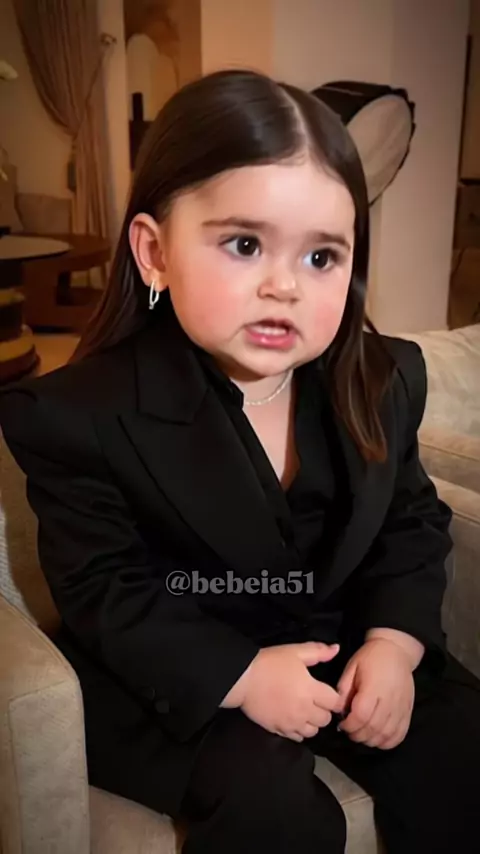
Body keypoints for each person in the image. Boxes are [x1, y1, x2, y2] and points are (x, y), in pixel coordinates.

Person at [0, 68, 479, 854]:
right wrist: (244, 677)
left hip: (343, 642)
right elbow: (104, 589)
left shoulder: (381, 378)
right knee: (274, 810)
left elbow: (410, 522)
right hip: (179, 675)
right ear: (154, 251)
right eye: (245, 244)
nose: (284, 286)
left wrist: (395, 643)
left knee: (464, 755)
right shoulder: (76, 414)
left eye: (322, 257)